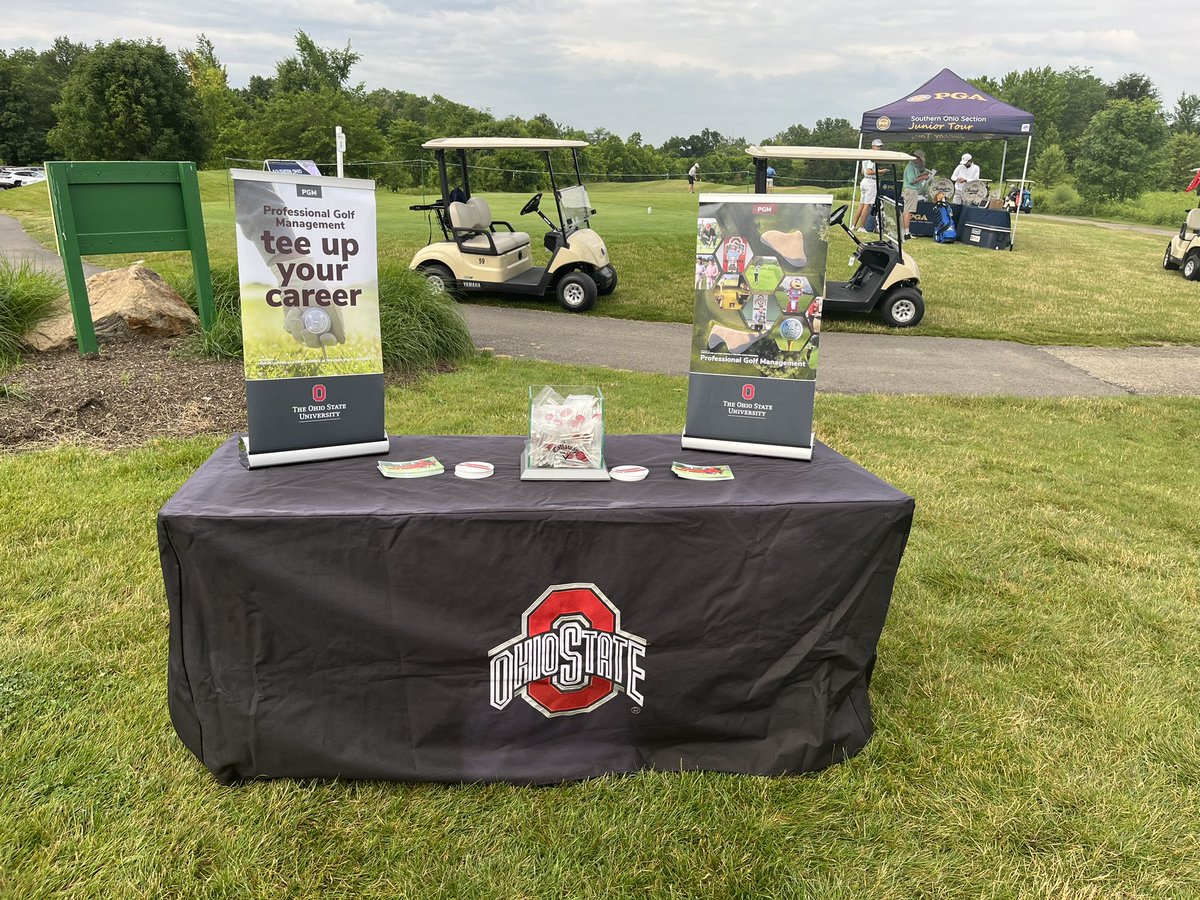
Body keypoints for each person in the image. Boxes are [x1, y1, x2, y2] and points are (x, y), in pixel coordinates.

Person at [854, 138, 885, 232]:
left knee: (862, 204)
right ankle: (862, 227)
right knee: (867, 205)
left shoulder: (866, 155)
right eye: (878, 146)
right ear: (873, 146)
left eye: (880, 147)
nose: (879, 149)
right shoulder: (872, 157)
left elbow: (862, 171)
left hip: (864, 181)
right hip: (871, 182)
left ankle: (853, 225)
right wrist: (880, 171)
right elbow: (868, 171)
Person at [902, 149, 932, 239]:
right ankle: (906, 233)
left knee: (906, 211)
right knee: (908, 211)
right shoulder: (910, 166)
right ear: (917, 158)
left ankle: (905, 231)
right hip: (911, 190)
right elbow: (911, 181)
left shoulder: (912, 166)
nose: (920, 162)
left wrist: (923, 176)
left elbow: (914, 178)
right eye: (920, 160)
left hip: (909, 190)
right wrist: (923, 177)